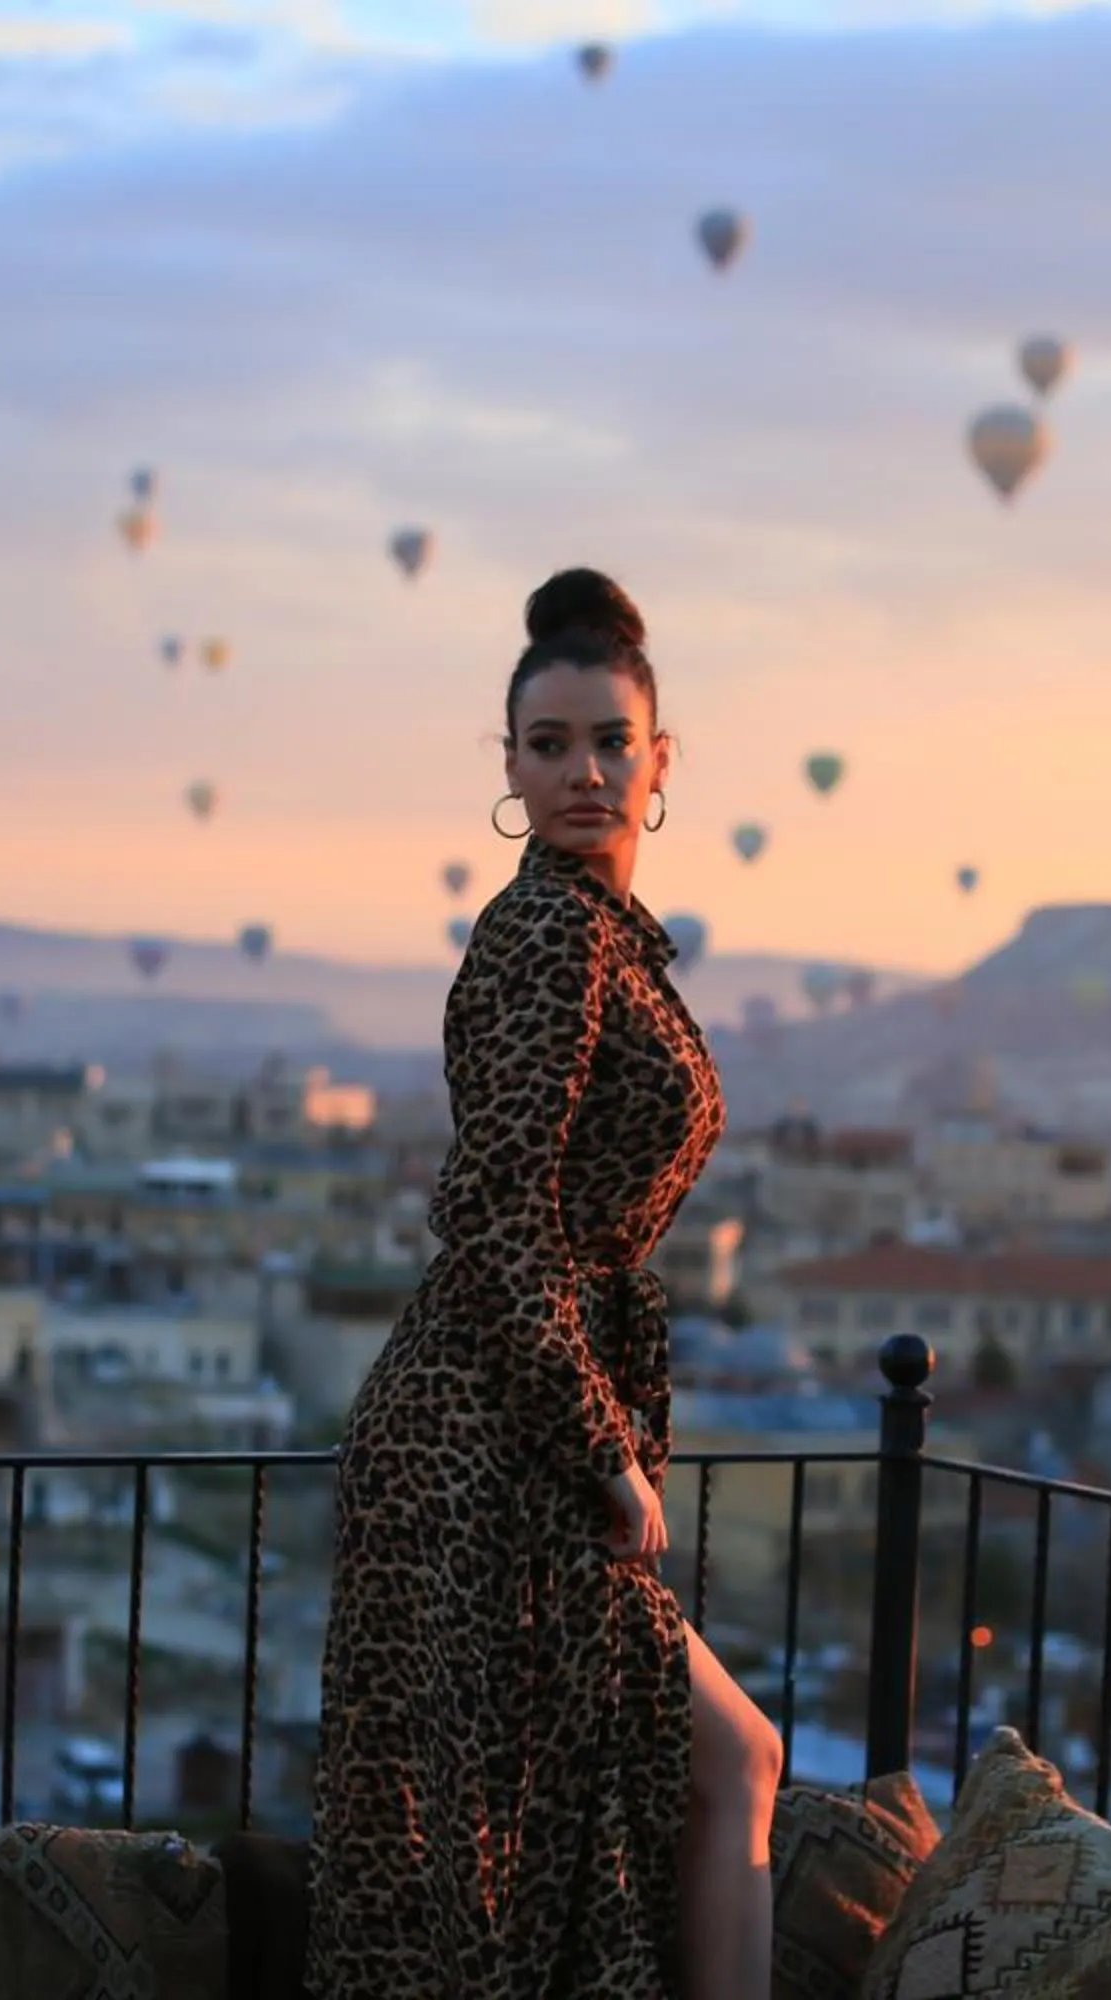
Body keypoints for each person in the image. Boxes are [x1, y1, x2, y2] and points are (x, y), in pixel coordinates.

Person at [306, 568, 782, 1998]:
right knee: (569, 1815)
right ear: (507, 767)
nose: (584, 772)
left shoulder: (602, 933)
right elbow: (501, 1216)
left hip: (516, 1418)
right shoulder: (548, 933)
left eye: (611, 742)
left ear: (661, 760)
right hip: (491, 1437)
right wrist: (604, 1452)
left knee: (557, 1821)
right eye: (550, 744)